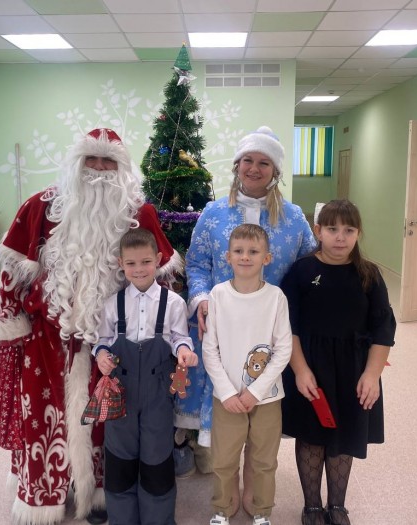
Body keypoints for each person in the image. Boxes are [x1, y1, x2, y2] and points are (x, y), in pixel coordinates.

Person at [0, 128, 181, 525]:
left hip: (110, 341)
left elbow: (159, 279)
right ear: (76, 163)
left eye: (108, 161)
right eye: (90, 159)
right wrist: (13, 326)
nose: (98, 168)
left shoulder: (139, 213)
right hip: (46, 340)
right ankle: (44, 498)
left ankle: (97, 496)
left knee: (106, 423)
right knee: (44, 418)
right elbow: (10, 271)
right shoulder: (42, 206)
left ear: (122, 168)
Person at [175, 125, 315, 510]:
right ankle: (228, 484)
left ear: (276, 170)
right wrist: (201, 298)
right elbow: (197, 263)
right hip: (225, 328)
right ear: (237, 165)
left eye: (264, 163)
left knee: (262, 412)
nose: (254, 168)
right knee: (228, 409)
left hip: (270, 330)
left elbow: (310, 265)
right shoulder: (213, 213)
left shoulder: (293, 218)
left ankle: (254, 481)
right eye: (248, 161)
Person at [279, 200, 396, 525]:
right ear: (318, 231)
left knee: (344, 436)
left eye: (349, 230)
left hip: (354, 370)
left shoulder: (369, 275)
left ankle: (337, 506)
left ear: (358, 233)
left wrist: (372, 374)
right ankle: (312, 507)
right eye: (332, 229)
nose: (340, 237)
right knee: (312, 436)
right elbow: (288, 326)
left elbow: (383, 328)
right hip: (310, 367)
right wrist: (300, 370)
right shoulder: (302, 271)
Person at [92, 227, 198, 525]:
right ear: (121, 264)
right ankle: (123, 518)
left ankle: (158, 518)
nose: (139, 269)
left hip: (158, 390)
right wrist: (101, 355)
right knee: (120, 456)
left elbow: (180, 337)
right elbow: (102, 340)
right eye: (131, 263)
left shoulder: (173, 302)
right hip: (120, 390)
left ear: (158, 259)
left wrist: (185, 350)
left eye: (146, 262)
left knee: (157, 455)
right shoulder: (113, 304)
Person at [202, 224, 292, 525]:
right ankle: (222, 509)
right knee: (224, 459)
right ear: (228, 256)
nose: (245, 257)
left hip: (266, 397)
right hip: (226, 397)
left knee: (264, 460)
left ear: (266, 258)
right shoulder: (218, 295)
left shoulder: (276, 297)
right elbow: (210, 349)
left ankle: (262, 510)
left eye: (253, 251)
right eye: (238, 251)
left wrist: (255, 391)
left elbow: (283, 349)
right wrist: (227, 392)